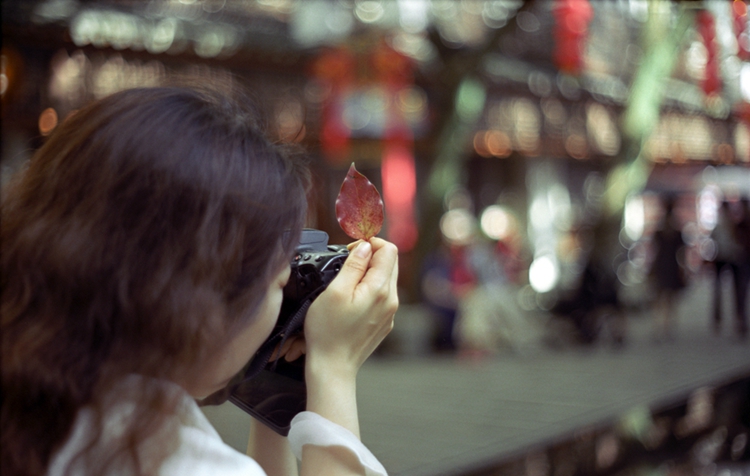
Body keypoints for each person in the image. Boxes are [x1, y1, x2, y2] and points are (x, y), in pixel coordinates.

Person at [1, 83, 399, 476]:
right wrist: (334, 368)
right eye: (280, 280)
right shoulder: (170, 460)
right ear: (196, 300)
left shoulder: (45, 398)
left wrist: (281, 381)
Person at [650, 195, 686, 341]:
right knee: (665, 297)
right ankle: (664, 326)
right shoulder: (671, 232)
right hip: (666, 265)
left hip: (667, 265)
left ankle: (664, 326)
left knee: (665, 297)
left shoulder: (667, 232)